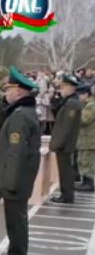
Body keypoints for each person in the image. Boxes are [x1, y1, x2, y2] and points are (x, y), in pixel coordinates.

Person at [0, 67, 41, 255]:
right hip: (21, 178)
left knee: (16, 223)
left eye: (8, 89)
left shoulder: (19, 116)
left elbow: (15, 153)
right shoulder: (23, 112)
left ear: (19, 91)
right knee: (17, 221)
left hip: (16, 180)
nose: (6, 93)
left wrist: (7, 184)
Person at [49, 74, 84, 203]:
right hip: (65, 143)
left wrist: (58, 143)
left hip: (66, 143)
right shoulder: (69, 102)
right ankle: (65, 194)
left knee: (66, 171)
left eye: (63, 87)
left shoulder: (72, 104)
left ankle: (67, 195)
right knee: (64, 170)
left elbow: (67, 127)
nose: (61, 90)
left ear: (70, 87)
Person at [75, 85, 95, 192]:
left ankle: (89, 183)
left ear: (86, 94)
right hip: (85, 139)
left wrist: (77, 112)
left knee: (87, 162)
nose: (79, 97)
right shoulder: (87, 104)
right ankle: (85, 182)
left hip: (89, 140)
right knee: (82, 161)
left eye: (80, 94)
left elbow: (84, 120)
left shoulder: (91, 105)